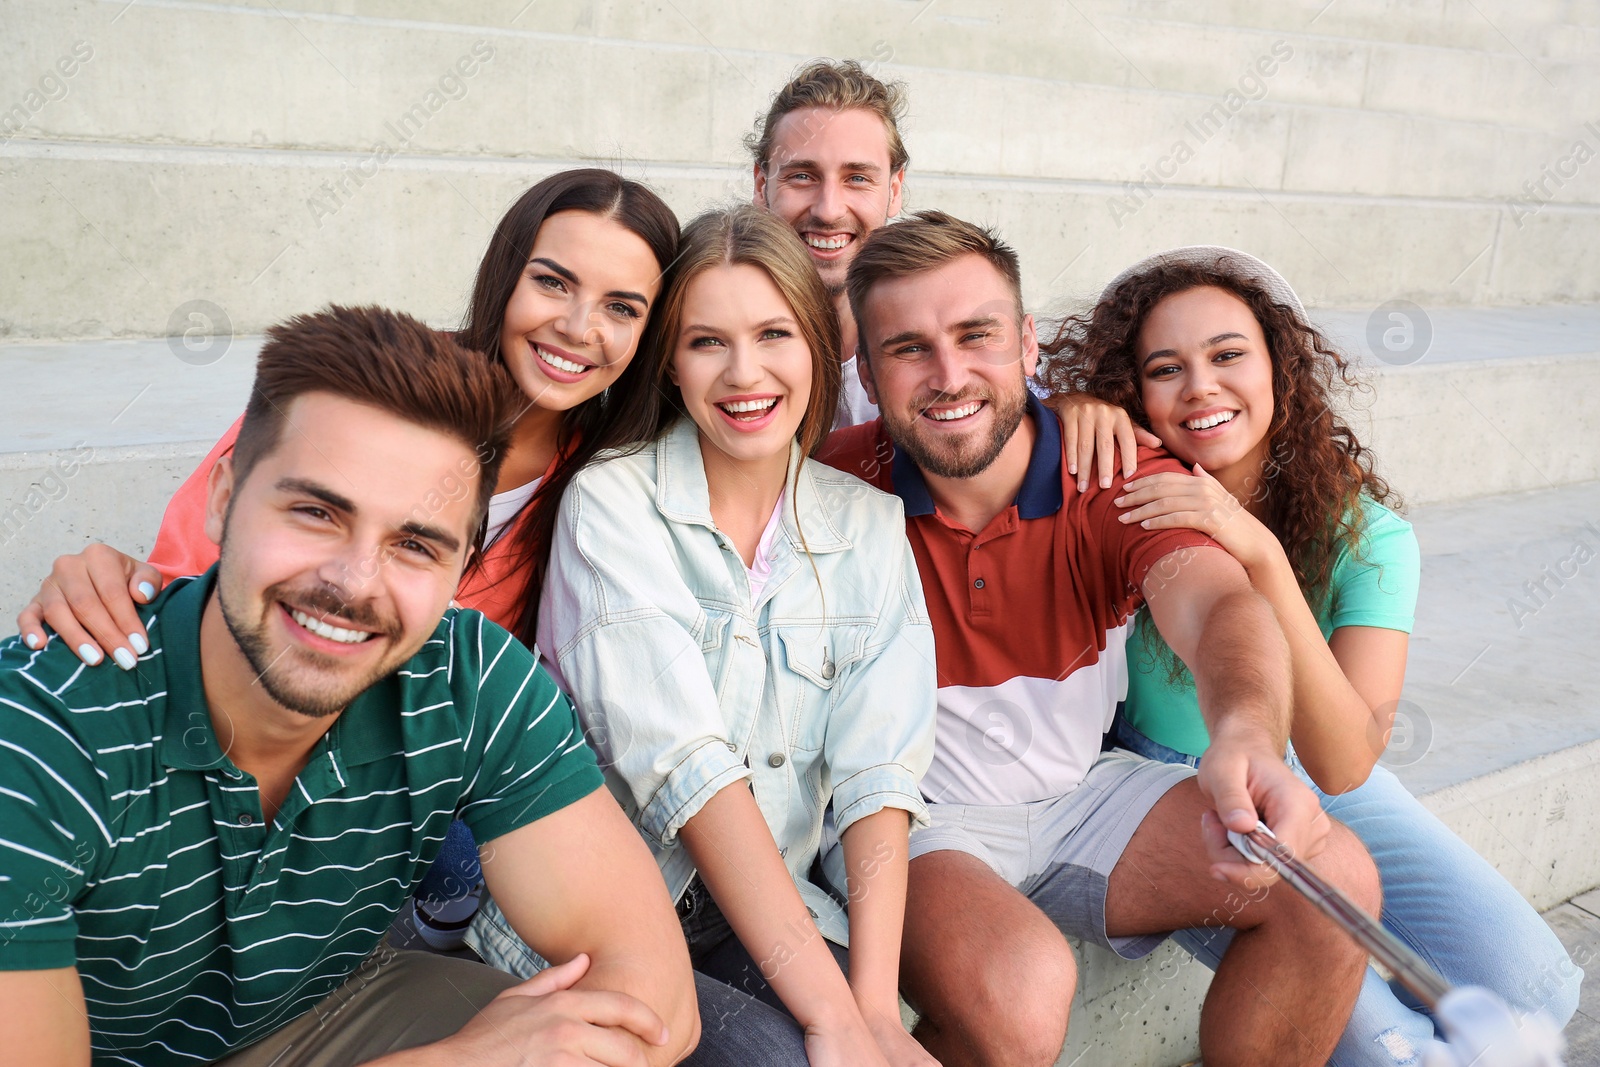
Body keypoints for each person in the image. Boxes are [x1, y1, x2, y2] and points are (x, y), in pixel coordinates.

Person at [0, 306, 700, 1066]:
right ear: (224, 495)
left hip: (310, 1022)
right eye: (316, 512)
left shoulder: (465, 678)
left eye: (414, 544)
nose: (352, 583)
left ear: (463, 565)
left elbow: (653, 998)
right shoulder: (38, 737)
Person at [16, 168, 679, 950]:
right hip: (249, 747)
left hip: (400, 789)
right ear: (506, 275)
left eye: (620, 308)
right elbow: (200, 584)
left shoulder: (607, 489)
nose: (576, 325)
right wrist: (111, 581)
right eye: (552, 281)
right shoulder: (373, 393)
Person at [817, 211, 1385, 1067]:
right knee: (1020, 986)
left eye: (978, 335)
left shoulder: (1109, 469)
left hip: (1080, 795)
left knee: (1336, 881)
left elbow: (1222, 608)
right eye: (908, 348)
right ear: (866, 369)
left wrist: (1244, 732)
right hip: (915, 818)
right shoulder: (827, 481)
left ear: (1027, 344)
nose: (949, 373)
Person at [1038, 245, 1584, 1065]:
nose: (1201, 387)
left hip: (1306, 763)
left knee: (1536, 991)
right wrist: (1071, 404)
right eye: (1164, 368)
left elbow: (1343, 763)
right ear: (1132, 390)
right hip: (1177, 788)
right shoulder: (1123, 494)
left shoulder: (1369, 537)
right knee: (1388, 1046)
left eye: (1228, 355)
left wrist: (1257, 551)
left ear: (1278, 370)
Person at [468, 205, 939, 1067]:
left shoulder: (869, 526)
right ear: (671, 364)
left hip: (771, 907)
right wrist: (831, 1021)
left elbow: (879, 773)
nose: (745, 372)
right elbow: (686, 769)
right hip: (602, 917)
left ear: (816, 348)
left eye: (774, 334)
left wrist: (872, 1009)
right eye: (706, 341)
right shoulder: (611, 503)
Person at [749, 59, 907, 428]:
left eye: (857, 178)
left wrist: (1065, 403)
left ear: (894, 189)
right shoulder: (700, 335)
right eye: (802, 176)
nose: (828, 210)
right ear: (761, 186)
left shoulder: (940, 345)